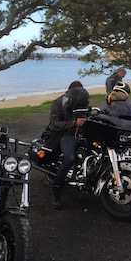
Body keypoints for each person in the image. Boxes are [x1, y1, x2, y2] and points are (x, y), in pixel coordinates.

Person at [44, 81, 89, 209]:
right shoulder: (58, 103)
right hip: (65, 134)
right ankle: (55, 190)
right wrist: (74, 123)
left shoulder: (83, 101)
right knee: (69, 158)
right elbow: (53, 124)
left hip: (81, 133)